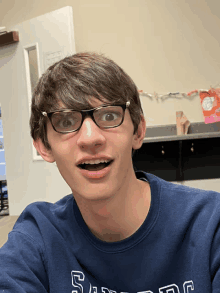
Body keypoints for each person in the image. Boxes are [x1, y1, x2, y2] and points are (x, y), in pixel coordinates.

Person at [0, 52, 220, 293]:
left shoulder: (210, 224)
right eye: (65, 122)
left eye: (109, 116)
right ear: (43, 146)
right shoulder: (38, 237)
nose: (90, 138)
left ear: (138, 132)